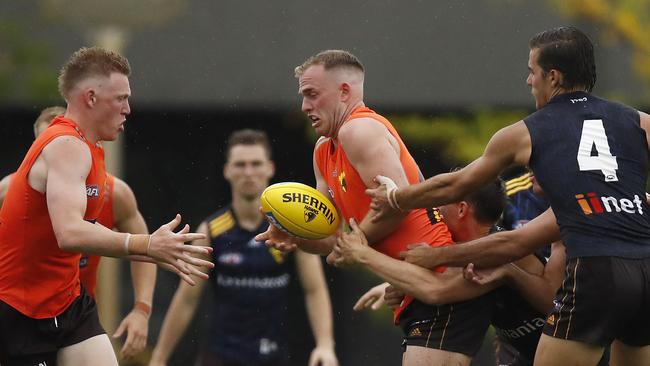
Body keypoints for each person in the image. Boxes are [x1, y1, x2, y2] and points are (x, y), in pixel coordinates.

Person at [367, 26, 650, 366]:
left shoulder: (527, 132)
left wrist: (398, 198)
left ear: (553, 77)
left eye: (532, 72)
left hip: (596, 271)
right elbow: (515, 242)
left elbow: (457, 186)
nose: (529, 81)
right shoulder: (637, 120)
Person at [255, 50, 490, 366]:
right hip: (412, 289)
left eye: (312, 94)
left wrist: (354, 245)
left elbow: (398, 206)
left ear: (344, 92)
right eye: (302, 96)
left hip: (440, 281)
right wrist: (295, 233)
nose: (304, 106)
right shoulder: (323, 149)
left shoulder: (359, 130)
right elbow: (331, 239)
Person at [0, 47, 213, 366]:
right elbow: (69, 233)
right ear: (91, 97)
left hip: (68, 304)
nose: (128, 109)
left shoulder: (90, 150)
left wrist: (151, 255)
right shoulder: (67, 145)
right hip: (20, 311)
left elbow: (86, 226)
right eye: (121, 98)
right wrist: (146, 245)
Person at [149, 129, 338, 366]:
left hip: (273, 357)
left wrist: (325, 344)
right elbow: (187, 299)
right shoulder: (211, 230)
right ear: (227, 171)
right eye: (240, 165)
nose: (248, 172)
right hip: (220, 357)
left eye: (256, 164)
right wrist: (158, 358)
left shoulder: (292, 229)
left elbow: (315, 289)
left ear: (270, 168)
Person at [337, 179, 570, 366]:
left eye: (442, 200)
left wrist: (362, 254)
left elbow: (435, 289)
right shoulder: (465, 251)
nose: (435, 208)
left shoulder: (494, 252)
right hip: (526, 351)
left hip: (566, 349)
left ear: (461, 209)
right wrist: (399, 285)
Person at [0, 106, 157, 360]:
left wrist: (142, 309)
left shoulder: (114, 194)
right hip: (23, 315)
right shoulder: (10, 192)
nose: (60, 155)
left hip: (76, 313)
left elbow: (145, 248)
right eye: (47, 146)